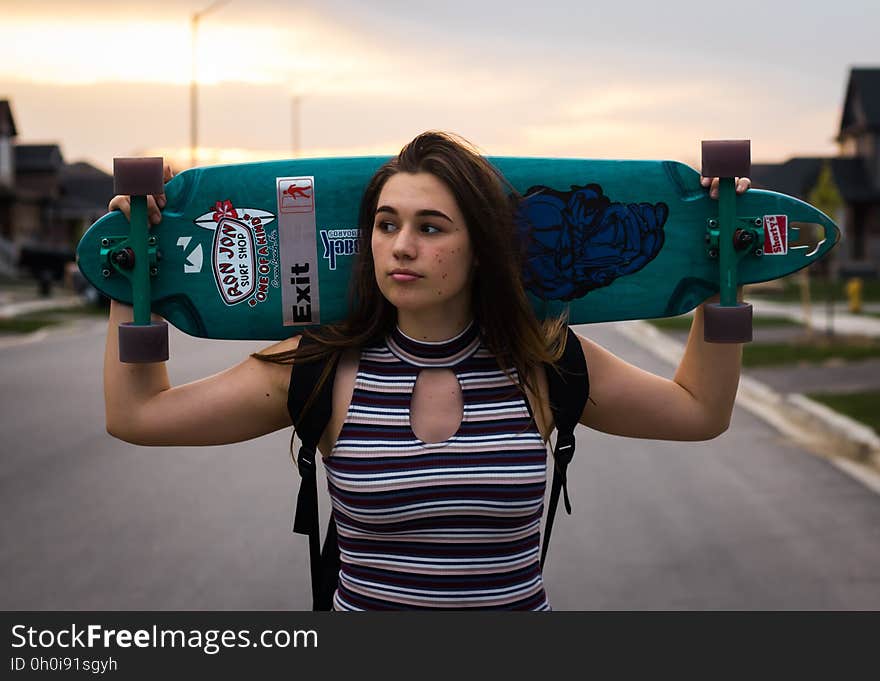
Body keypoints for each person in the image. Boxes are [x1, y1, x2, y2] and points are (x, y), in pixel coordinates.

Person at [104, 131, 750, 610]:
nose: (402, 245)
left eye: (431, 227)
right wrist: (131, 276)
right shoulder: (319, 367)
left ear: (482, 248)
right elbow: (139, 415)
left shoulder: (544, 361)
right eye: (386, 225)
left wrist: (725, 270)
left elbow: (698, 410)